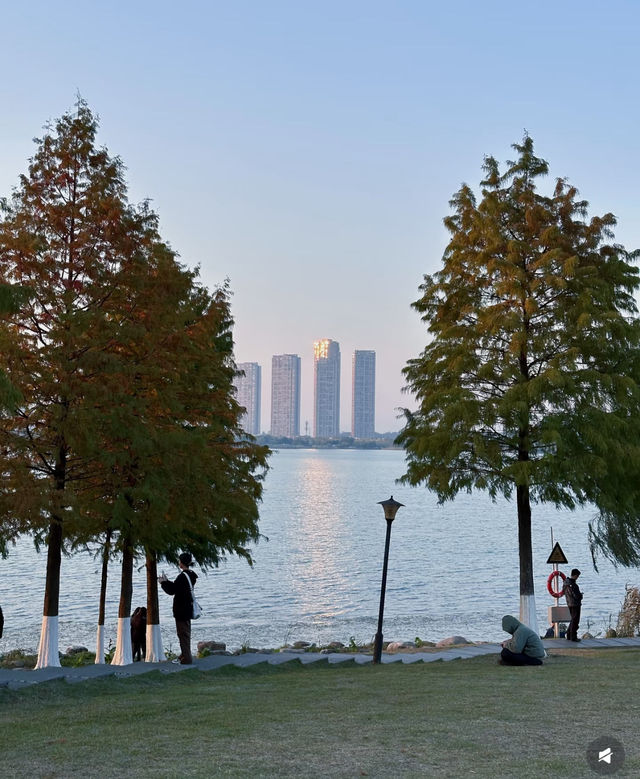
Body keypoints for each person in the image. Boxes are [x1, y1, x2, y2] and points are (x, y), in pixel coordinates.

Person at [159, 552, 198, 664]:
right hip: (187, 608)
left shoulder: (182, 576)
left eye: (179, 561)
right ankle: (184, 654)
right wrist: (167, 582)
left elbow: (173, 591)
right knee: (185, 632)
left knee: (182, 634)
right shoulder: (191, 575)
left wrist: (163, 583)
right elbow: (178, 587)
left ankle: (187, 658)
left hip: (181, 609)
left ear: (181, 563)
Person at [564, 568, 583, 642]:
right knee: (575, 620)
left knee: (572, 619)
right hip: (575, 604)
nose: (578, 578)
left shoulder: (566, 583)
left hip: (569, 603)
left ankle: (569, 634)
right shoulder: (573, 585)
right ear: (575, 575)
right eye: (577, 576)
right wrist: (580, 596)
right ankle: (573, 636)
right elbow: (575, 595)